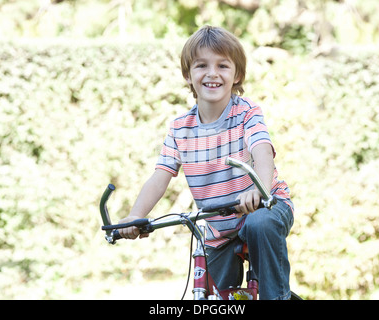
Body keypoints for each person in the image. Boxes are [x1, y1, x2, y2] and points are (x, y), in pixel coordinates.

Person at [117, 25, 294, 300]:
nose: (212, 73)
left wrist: (260, 190)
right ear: (188, 75)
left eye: (223, 65)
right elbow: (160, 176)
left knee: (260, 224)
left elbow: (262, 151)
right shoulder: (180, 129)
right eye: (202, 66)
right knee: (216, 296)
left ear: (237, 76)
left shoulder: (246, 113)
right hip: (217, 225)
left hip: (265, 207)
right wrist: (134, 215)